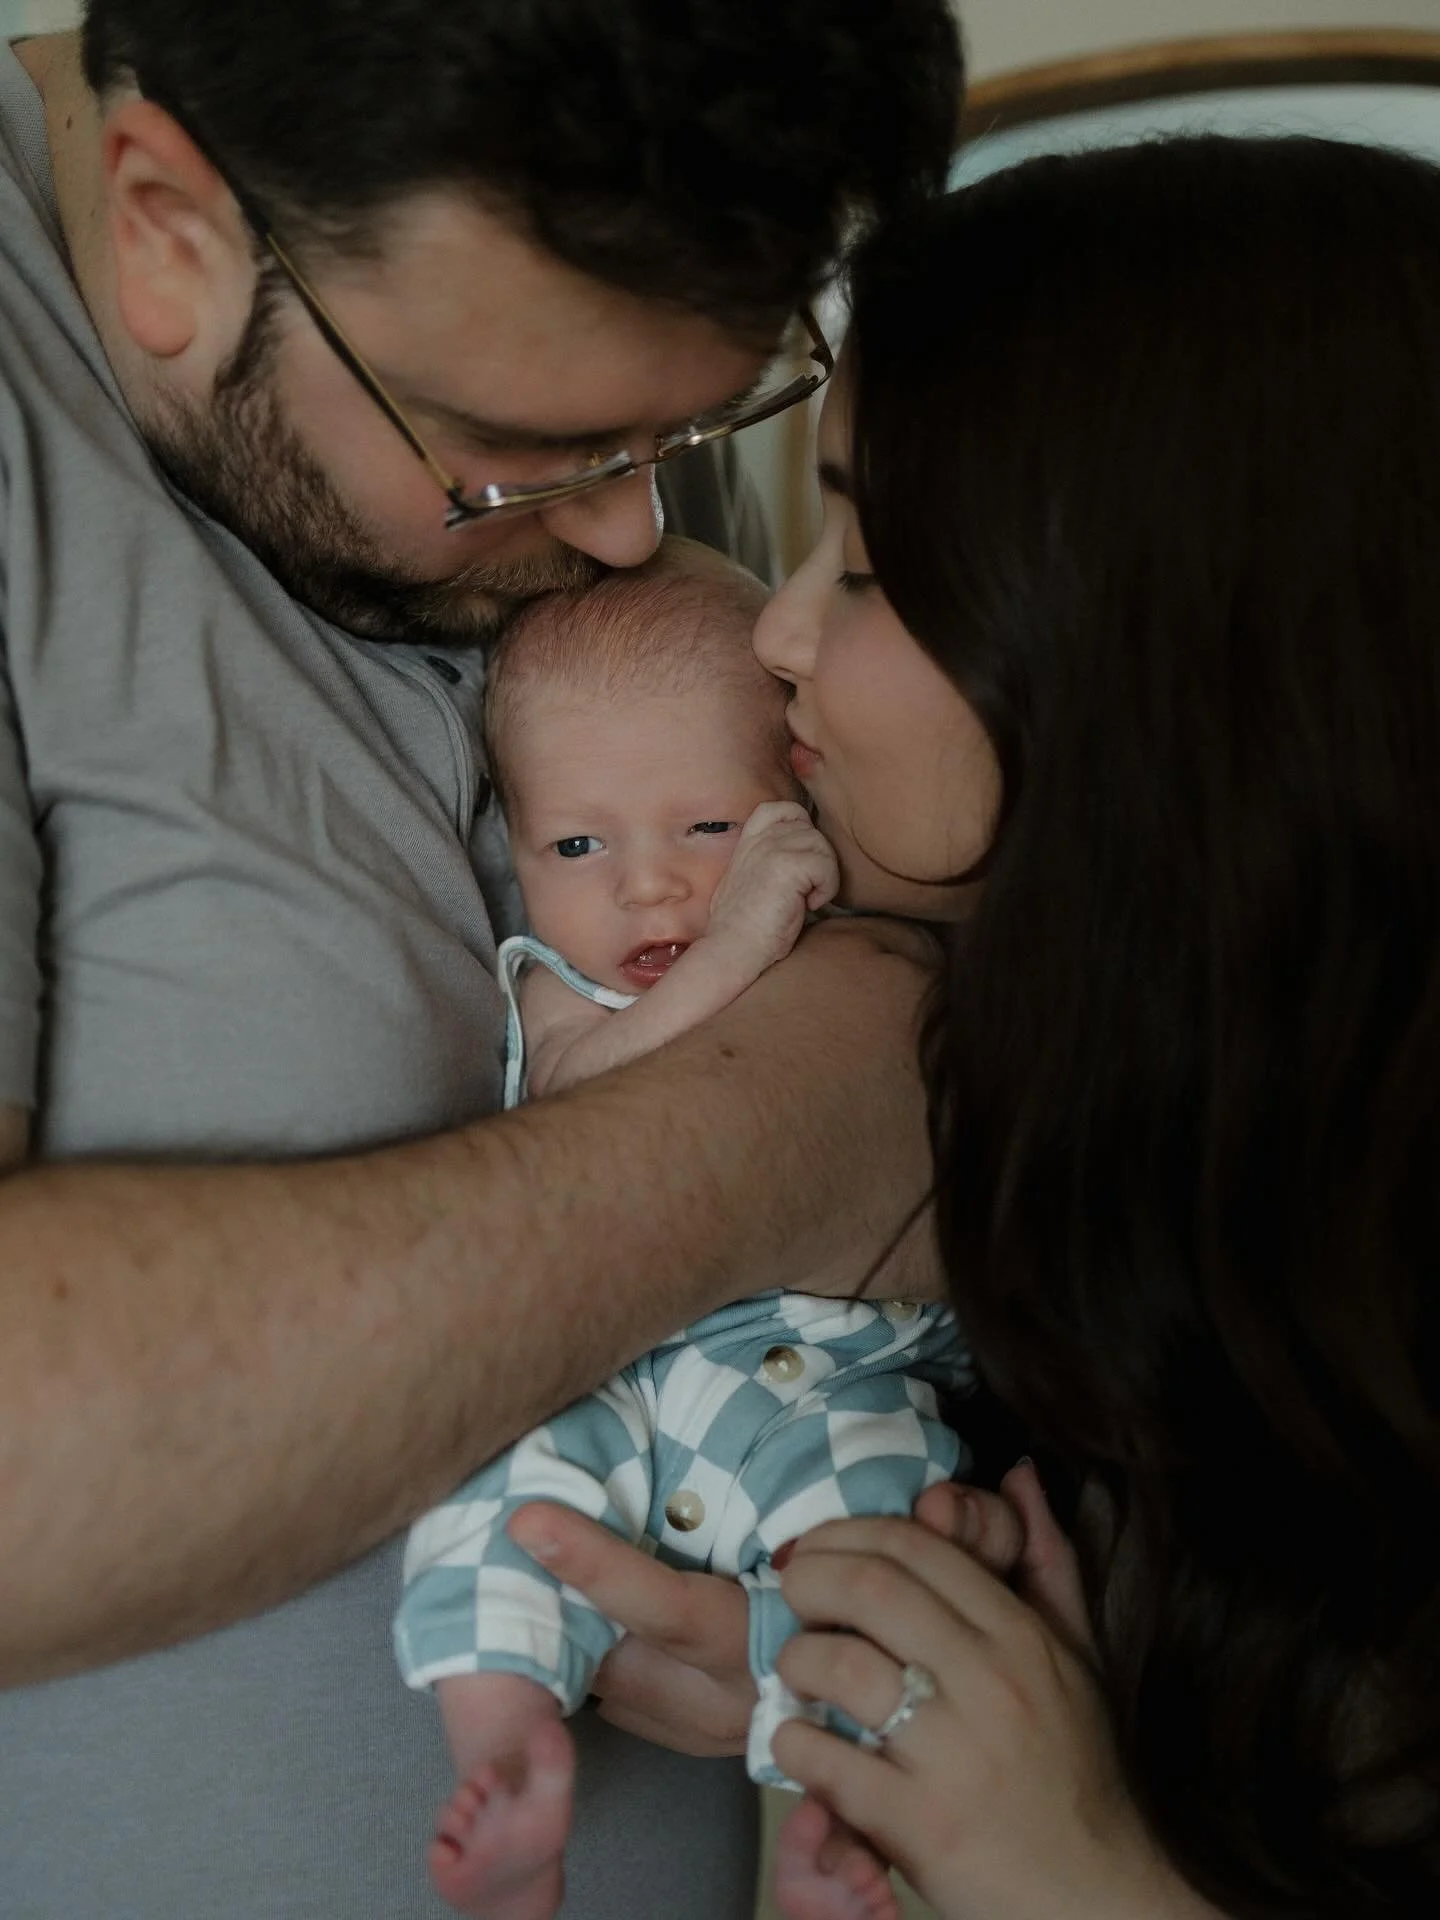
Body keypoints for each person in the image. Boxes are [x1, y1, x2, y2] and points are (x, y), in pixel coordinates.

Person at [0, 3, 965, 1916]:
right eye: (519, 459)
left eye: (691, 432)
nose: (634, 530)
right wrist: (809, 1117)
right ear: (163, 222)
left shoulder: (542, 320)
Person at [527, 134, 1440, 1920]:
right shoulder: (1105, 1169)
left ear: (1150, 635)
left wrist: (1068, 1872)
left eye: (868, 563)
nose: (778, 635)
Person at [391, 538, 971, 1920]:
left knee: (898, 1548)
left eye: (705, 828)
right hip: (606, 1377)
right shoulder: (552, 986)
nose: (644, 887)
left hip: (826, 1380)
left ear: (791, 802)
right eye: (577, 844)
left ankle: (841, 1831)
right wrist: (734, 942)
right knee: (498, 1501)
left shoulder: (856, 935)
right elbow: (591, 1099)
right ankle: (508, 1746)